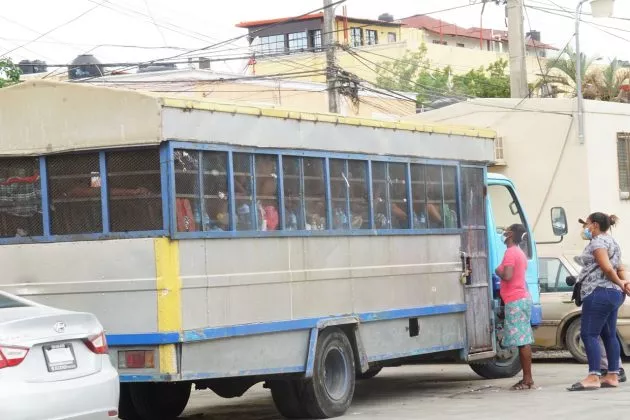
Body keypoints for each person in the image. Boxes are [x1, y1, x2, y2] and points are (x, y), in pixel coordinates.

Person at [568, 213, 630, 391]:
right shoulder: (613, 242)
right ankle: (612, 375)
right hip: (613, 294)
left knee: (588, 334)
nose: (584, 228)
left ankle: (594, 375)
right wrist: (624, 283)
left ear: (594, 225)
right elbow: (619, 267)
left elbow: (607, 268)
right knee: (608, 334)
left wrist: (621, 282)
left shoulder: (597, 243)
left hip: (599, 292)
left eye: (586, 224)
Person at [495, 223, 535, 390]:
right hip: (522, 298)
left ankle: (527, 380)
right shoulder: (520, 253)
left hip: (515, 300)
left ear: (510, 234)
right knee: (523, 339)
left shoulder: (510, 253)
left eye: (505, 232)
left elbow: (508, 275)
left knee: (522, 341)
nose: (503, 235)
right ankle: (528, 379)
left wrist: (498, 271)